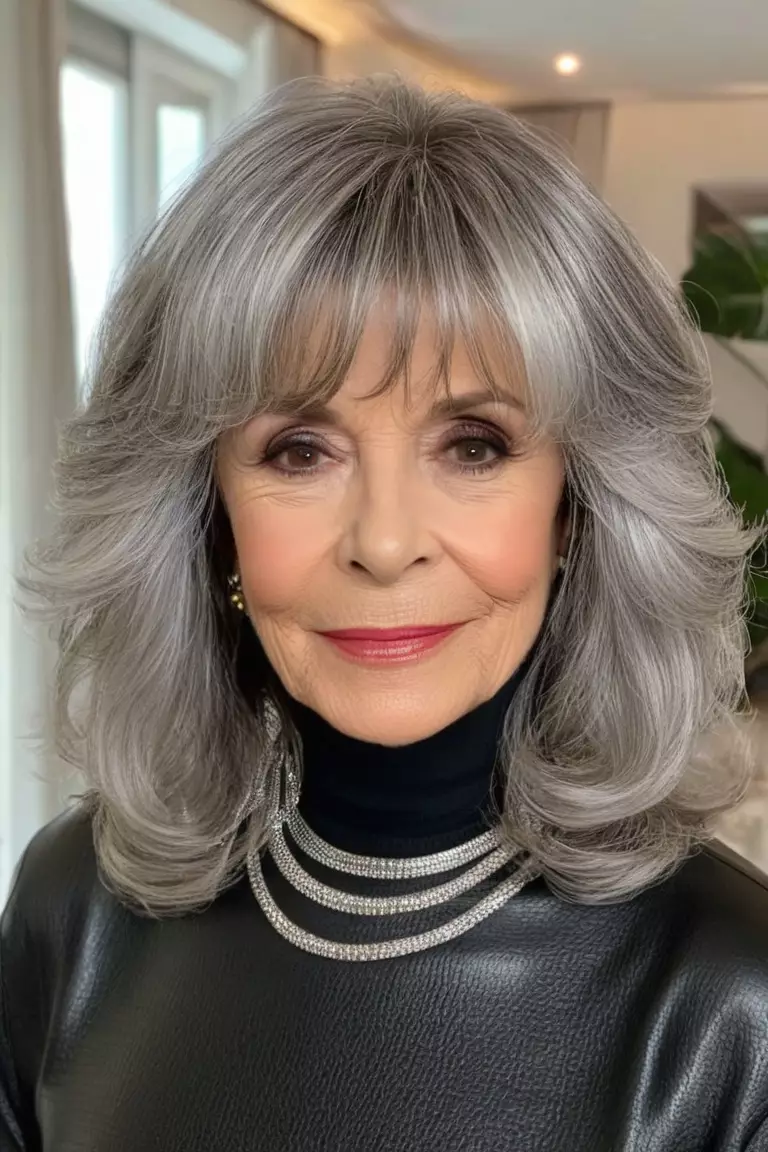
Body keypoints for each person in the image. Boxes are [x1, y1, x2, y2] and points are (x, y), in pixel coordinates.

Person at [2, 72, 768, 1152]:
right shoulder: (71, 910)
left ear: (575, 508)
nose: (384, 540)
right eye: (299, 451)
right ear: (205, 512)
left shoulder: (736, 1003)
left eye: (474, 445)